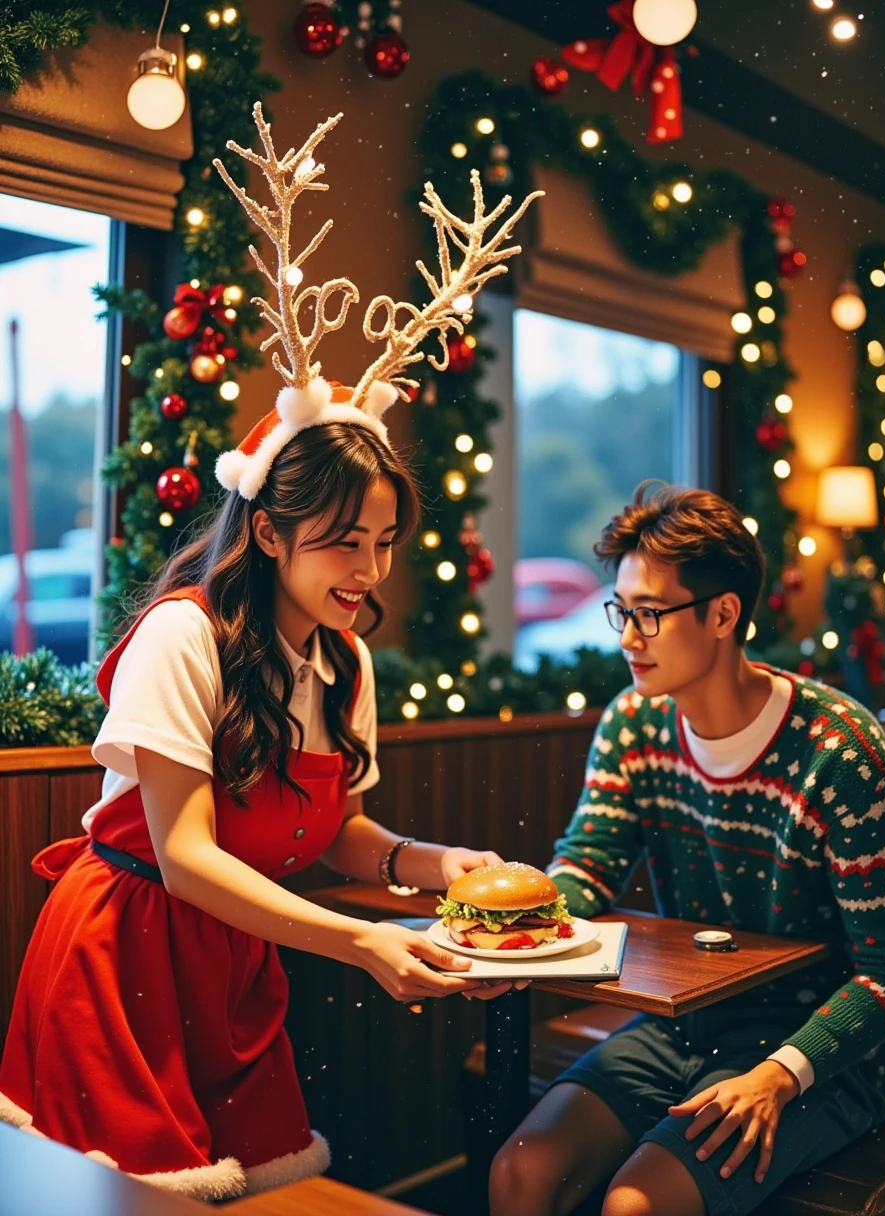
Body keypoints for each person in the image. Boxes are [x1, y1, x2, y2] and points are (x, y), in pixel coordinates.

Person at [0, 103, 542, 1201]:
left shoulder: (345, 662)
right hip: (125, 957)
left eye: (385, 542)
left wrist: (438, 868)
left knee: (260, 1184)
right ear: (268, 530)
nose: (369, 570)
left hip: (233, 962)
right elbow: (189, 852)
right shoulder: (182, 636)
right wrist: (361, 946)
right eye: (345, 541)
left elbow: (336, 830)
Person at [490, 482, 885, 1216]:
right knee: (519, 1175)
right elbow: (586, 867)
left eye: (650, 614)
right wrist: (503, 923)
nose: (627, 637)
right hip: (682, 1022)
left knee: (636, 1205)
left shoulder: (839, 751)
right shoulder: (634, 725)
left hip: (817, 1054)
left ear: (724, 614)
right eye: (622, 611)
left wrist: (780, 1075)